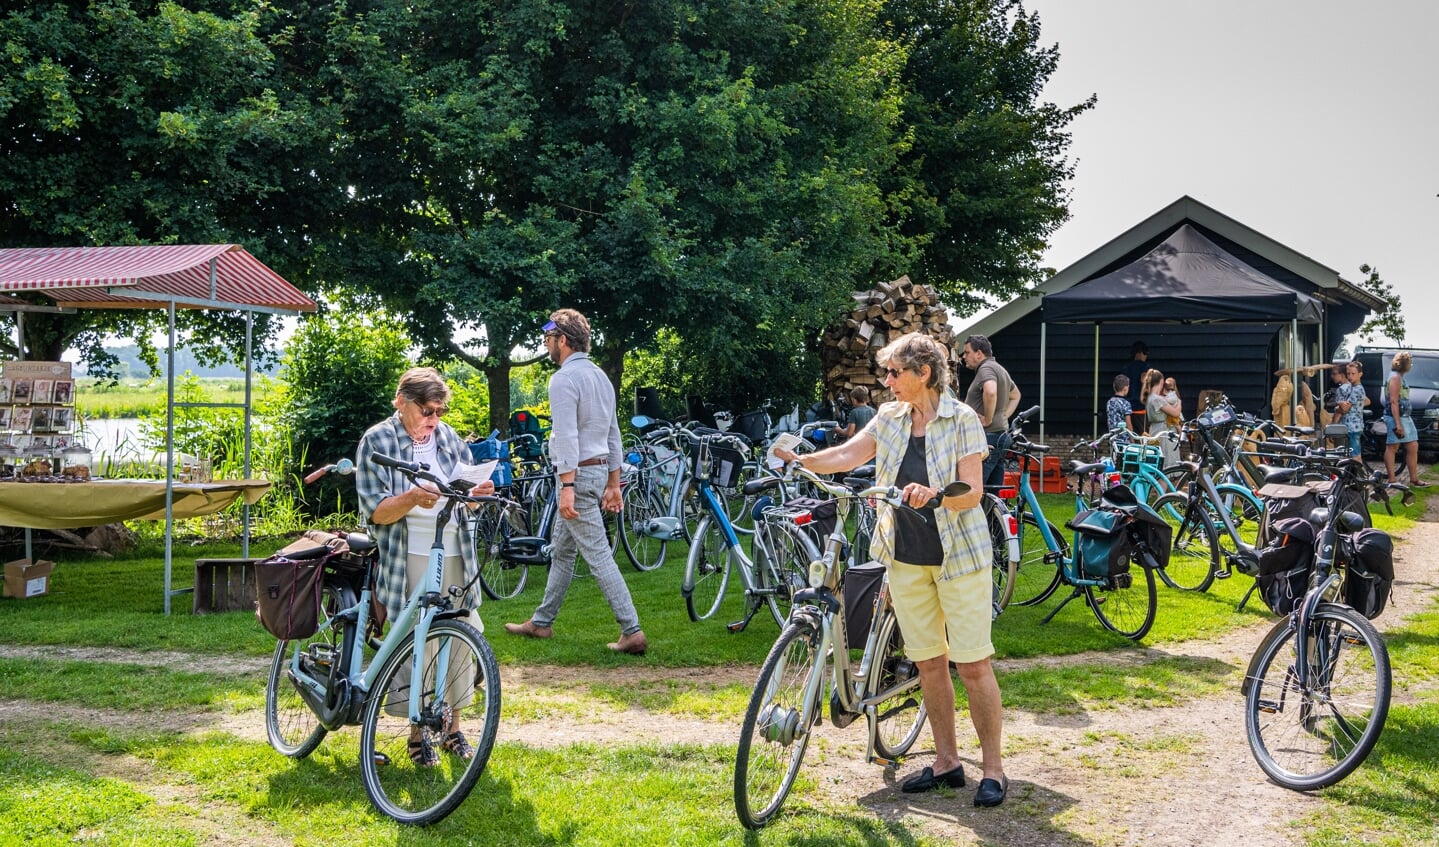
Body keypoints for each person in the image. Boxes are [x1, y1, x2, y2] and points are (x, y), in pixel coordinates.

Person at [775, 332, 1008, 807]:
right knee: (928, 662)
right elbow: (848, 455)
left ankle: (994, 769)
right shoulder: (890, 416)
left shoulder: (962, 419)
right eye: (884, 372)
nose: (887, 381)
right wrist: (801, 461)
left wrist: (936, 493)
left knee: (973, 665)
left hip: (958, 557)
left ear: (923, 373)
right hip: (904, 555)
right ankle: (947, 762)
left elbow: (973, 490)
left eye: (894, 372)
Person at [356, 366, 494, 765]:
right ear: (401, 402)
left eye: (440, 411)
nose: (434, 420)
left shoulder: (447, 437)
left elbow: (463, 495)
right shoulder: (377, 440)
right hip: (410, 552)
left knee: (459, 636)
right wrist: (412, 498)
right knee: (418, 641)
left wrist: (477, 494)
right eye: (427, 411)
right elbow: (376, 512)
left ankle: (452, 728)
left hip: (454, 549)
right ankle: (417, 733)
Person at [505, 309, 648, 654]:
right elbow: (613, 434)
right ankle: (541, 623)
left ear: (563, 341)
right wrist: (613, 481)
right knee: (563, 551)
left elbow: (567, 436)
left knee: (597, 554)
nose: (545, 344)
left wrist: (566, 487)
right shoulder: (600, 377)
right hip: (596, 470)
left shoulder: (564, 379)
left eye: (549, 338)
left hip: (577, 475)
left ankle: (632, 630)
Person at [960, 334, 1020, 488]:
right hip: (1000, 435)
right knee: (992, 492)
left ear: (979, 353)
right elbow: (1015, 395)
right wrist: (1003, 416)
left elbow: (990, 391)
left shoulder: (985, 368)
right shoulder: (999, 368)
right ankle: (994, 513)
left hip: (988, 437)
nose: (964, 356)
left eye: (967, 352)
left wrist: (988, 419)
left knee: (973, 488)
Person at [1384, 351, 1429, 486]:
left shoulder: (1399, 377)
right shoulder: (1395, 378)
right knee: (1393, 446)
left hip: (1405, 416)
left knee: (1413, 445)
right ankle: (1392, 479)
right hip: (1397, 417)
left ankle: (1414, 478)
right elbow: (1393, 401)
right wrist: (1398, 424)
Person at [1141, 368, 1181, 466]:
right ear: (1161, 381)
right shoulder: (1157, 399)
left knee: (1156, 461)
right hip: (1163, 432)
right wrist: (1179, 402)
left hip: (1154, 429)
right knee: (1165, 463)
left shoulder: (1150, 397)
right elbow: (1176, 413)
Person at [1334, 360, 1368, 457]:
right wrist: (1340, 406)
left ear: (1360, 374)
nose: (1350, 376)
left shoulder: (1358, 389)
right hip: (1348, 427)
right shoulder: (1350, 388)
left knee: (1355, 455)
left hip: (1354, 428)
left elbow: (1345, 408)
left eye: (1353, 374)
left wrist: (1338, 408)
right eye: (1348, 373)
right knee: (1349, 455)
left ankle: (1359, 472)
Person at [1122, 341, 1150, 432]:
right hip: (1140, 408)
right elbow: (1144, 381)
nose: (1146, 356)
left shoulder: (1126, 368)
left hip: (1127, 407)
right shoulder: (1144, 366)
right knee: (1142, 436)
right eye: (1145, 353)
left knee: (1130, 434)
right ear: (1139, 353)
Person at [1106, 374, 1134, 451]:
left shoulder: (1110, 402)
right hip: (1124, 440)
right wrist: (1132, 439)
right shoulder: (1125, 403)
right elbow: (1128, 423)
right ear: (1125, 388)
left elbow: (1109, 420)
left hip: (1113, 438)